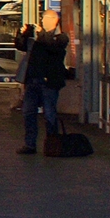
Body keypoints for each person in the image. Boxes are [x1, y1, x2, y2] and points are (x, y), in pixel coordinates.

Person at [15, 10, 68, 154]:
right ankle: (30, 144)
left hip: (49, 82)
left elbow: (52, 48)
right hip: (32, 80)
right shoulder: (38, 38)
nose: (42, 22)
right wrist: (22, 34)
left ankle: (52, 145)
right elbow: (21, 46)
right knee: (28, 112)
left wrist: (41, 35)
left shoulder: (60, 37)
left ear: (53, 20)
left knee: (49, 113)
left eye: (44, 18)